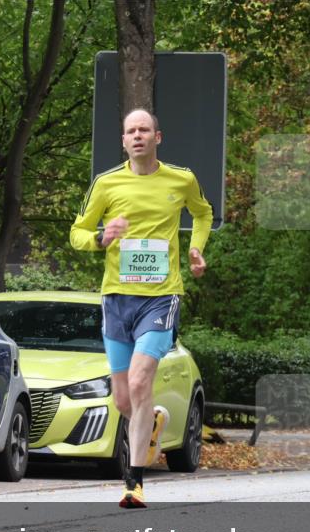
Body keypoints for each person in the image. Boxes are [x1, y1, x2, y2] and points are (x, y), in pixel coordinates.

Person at [70, 108, 213, 507]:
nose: (137, 136)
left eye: (144, 130)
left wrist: (196, 247)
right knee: (122, 400)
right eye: (130, 131)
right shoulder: (106, 183)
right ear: (123, 140)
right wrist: (101, 237)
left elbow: (203, 213)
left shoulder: (181, 179)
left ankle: (134, 482)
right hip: (116, 297)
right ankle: (151, 423)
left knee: (139, 381)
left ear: (157, 137)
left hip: (161, 296)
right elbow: (76, 232)